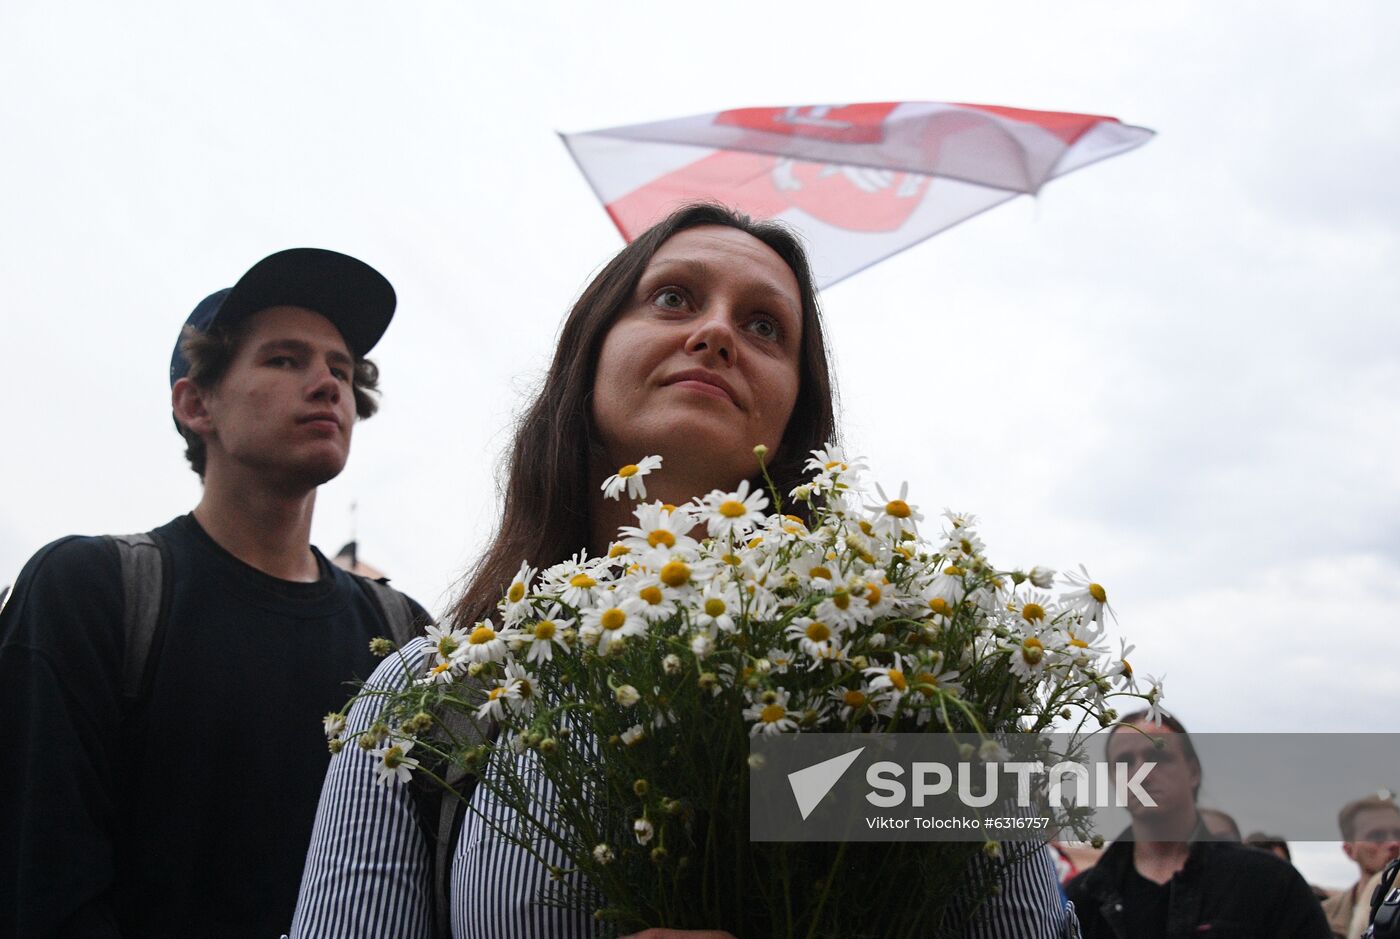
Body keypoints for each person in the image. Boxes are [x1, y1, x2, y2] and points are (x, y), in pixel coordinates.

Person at [290, 204, 1075, 938]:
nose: (717, 332)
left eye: (765, 326)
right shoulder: (432, 699)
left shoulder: (905, 692)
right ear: (589, 357)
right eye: (672, 298)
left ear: (795, 415)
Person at [0, 248, 430, 938]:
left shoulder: (403, 635)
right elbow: (41, 882)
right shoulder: (90, 591)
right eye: (284, 359)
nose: (327, 384)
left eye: (343, 370)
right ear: (196, 403)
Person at [1065, 711, 1330, 938]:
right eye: (1124, 763)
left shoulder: (1270, 883)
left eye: (1157, 756)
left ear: (1193, 771)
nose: (1140, 773)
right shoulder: (1081, 900)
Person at [1322, 795, 1400, 938]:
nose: (1394, 843)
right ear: (1349, 850)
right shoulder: (1322, 917)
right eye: (1377, 835)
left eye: (1398, 834)